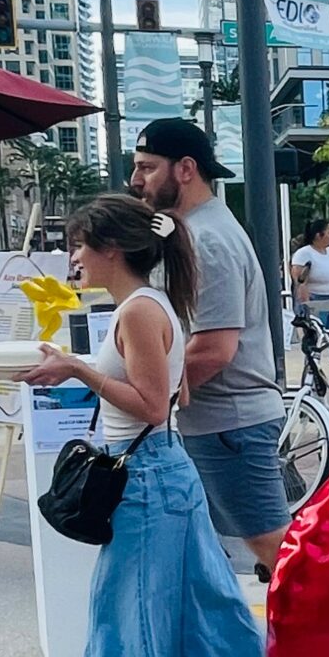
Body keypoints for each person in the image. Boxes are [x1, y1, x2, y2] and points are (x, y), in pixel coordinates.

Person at [19, 195, 271, 657]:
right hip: (159, 473)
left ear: (111, 249)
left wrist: (79, 371)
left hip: (148, 479)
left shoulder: (137, 311)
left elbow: (154, 405)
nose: (73, 257)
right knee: (200, 598)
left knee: (124, 611)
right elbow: (169, 396)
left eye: (79, 244)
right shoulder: (150, 304)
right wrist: (83, 366)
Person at [130, 119, 291, 571]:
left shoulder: (207, 241)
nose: (136, 180)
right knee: (214, 544)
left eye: (147, 167)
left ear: (185, 169)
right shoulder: (190, 232)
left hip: (229, 424)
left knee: (274, 547)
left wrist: (150, 395)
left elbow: (215, 349)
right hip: (217, 423)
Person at [291, 216, 329, 385]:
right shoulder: (303, 254)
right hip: (316, 302)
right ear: (319, 235)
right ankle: (312, 384)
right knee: (315, 346)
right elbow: (300, 282)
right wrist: (306, 306)